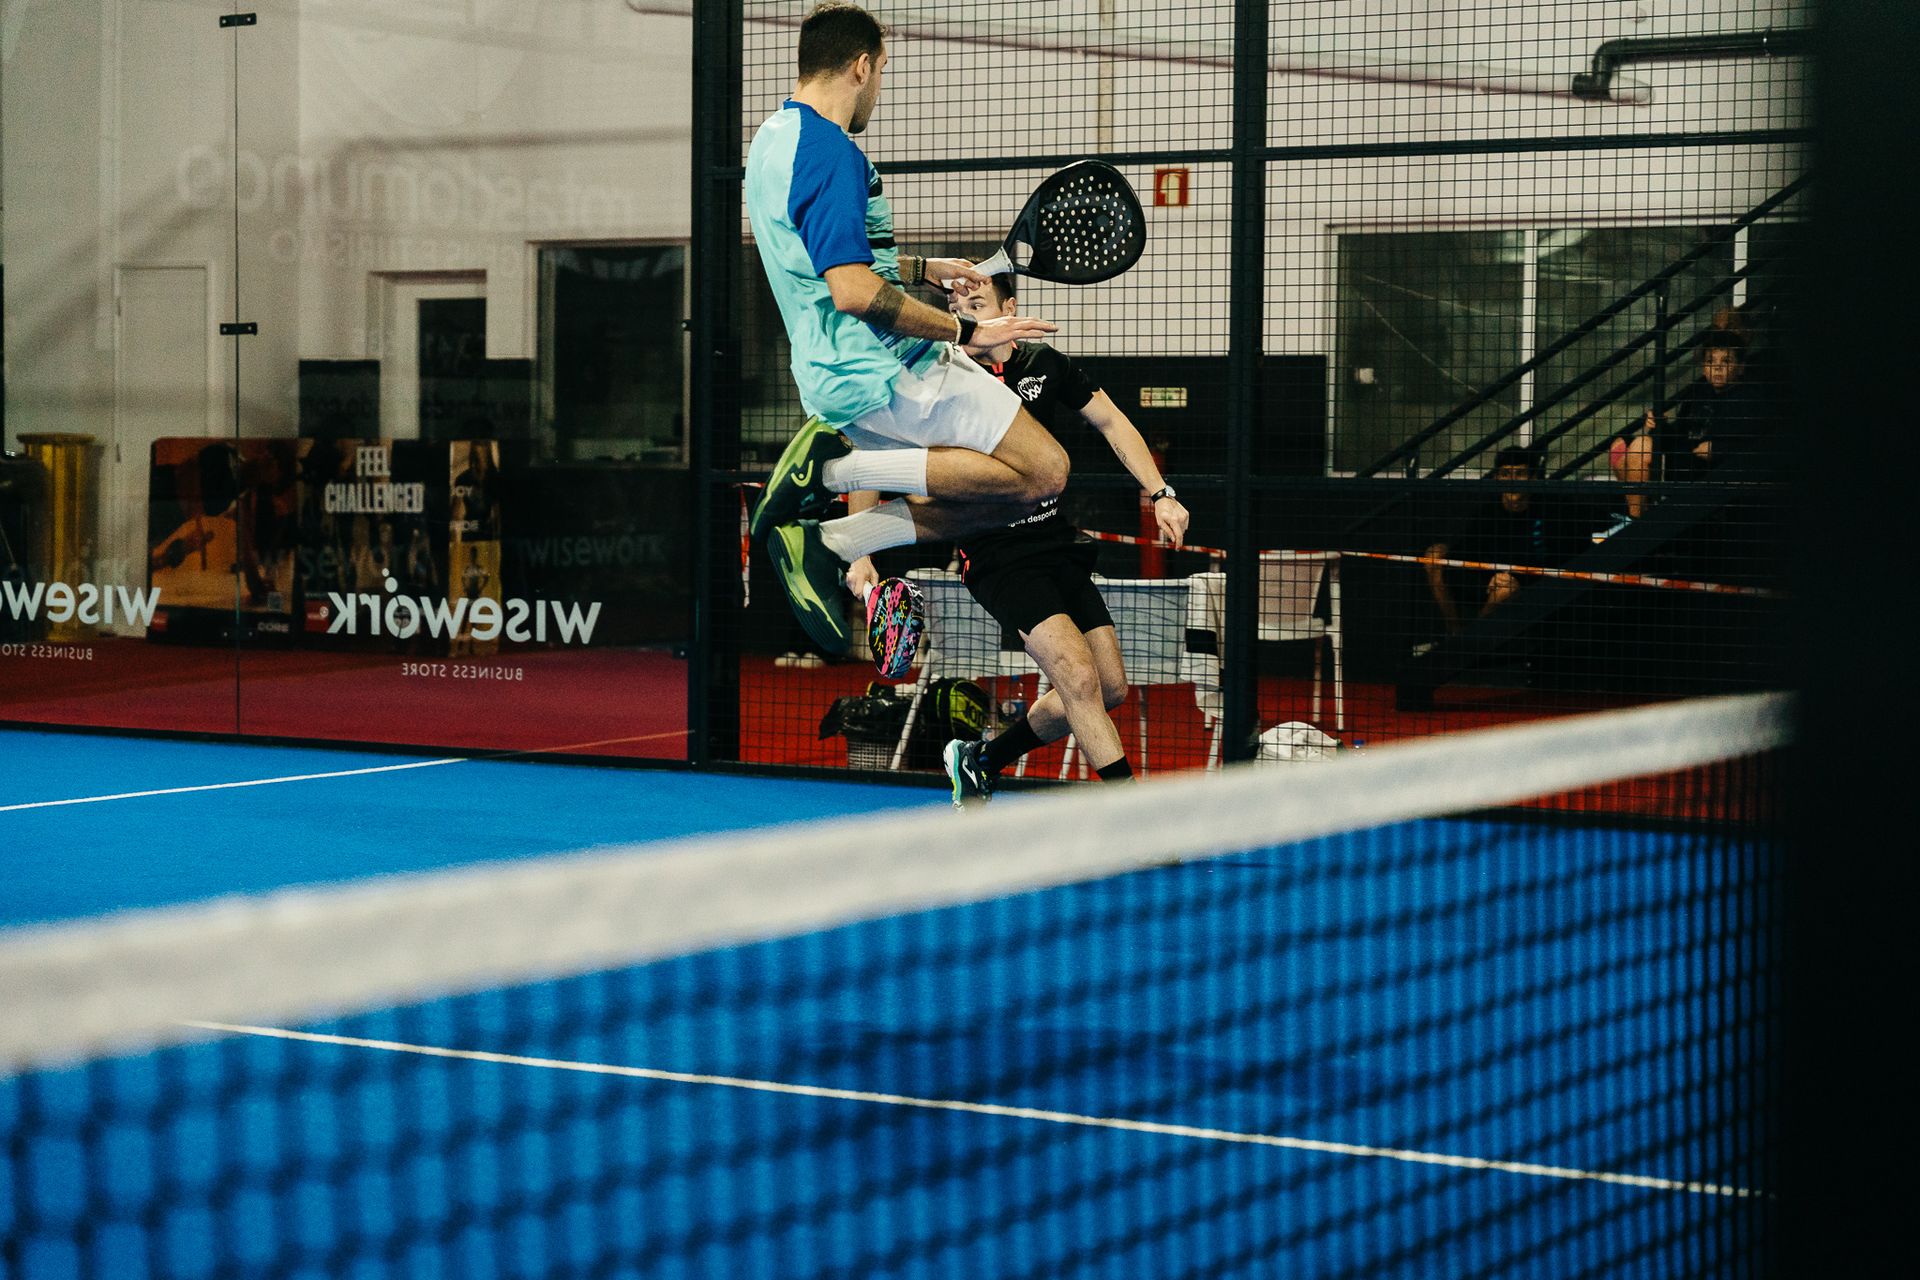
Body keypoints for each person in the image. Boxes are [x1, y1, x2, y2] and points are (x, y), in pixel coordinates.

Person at [744, 3, 1075, 654]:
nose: (880, 86)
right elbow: (853, 288)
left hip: (832, 378)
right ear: (862, 66)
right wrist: (963, 331)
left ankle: (837, 528)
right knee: (1044, 473)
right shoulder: (832, 152)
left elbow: (825, 257)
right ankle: (832, 485)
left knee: (1015, 493)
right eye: (883, 70)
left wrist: (923, 266)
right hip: (892, 368)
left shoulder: (773, 139)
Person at [845, 273, 1190, 805]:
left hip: (1057, 545)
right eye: (954, 298)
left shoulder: (1043, 364)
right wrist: (861, 548)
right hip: (994, 553)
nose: (961, 303)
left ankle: (979, 759)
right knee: (1076, 679)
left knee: (1110, 687)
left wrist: (1161, 492)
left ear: (1010, 307)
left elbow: (1114, 423)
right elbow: (872, 455)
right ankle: (1134, 816)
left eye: (976, 296)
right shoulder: (938, 377)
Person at [1596, 326, 1772, 541]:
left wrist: (1718, 449)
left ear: (1741, 367)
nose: (1716, 368)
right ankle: (1640, 518)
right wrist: (1660, 425)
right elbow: (1680, 436)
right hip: (1684, 460)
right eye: (1710, 362)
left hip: (1708, 474)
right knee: (1620, 446)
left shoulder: (1749, 399)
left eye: (1725, 362)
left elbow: (1758, 446)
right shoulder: (1698, 391)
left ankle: (1634, 526)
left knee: (1642, 447)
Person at [1421, 445, 1580, 639]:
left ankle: (1467, 642)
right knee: (1435, 555)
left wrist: (1510, 577)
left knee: (1506, 587)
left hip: (1526, 585)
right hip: (1487, 581)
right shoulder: (1488, 512)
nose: (1512, 480)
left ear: (1533, 478)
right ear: (1497, 478)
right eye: (1506, 474)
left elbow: (1555, 561)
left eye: (1520, 473)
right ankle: (1453, 631)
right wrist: (1489, 577)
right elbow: (1466, 552)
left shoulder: (1551, 510)